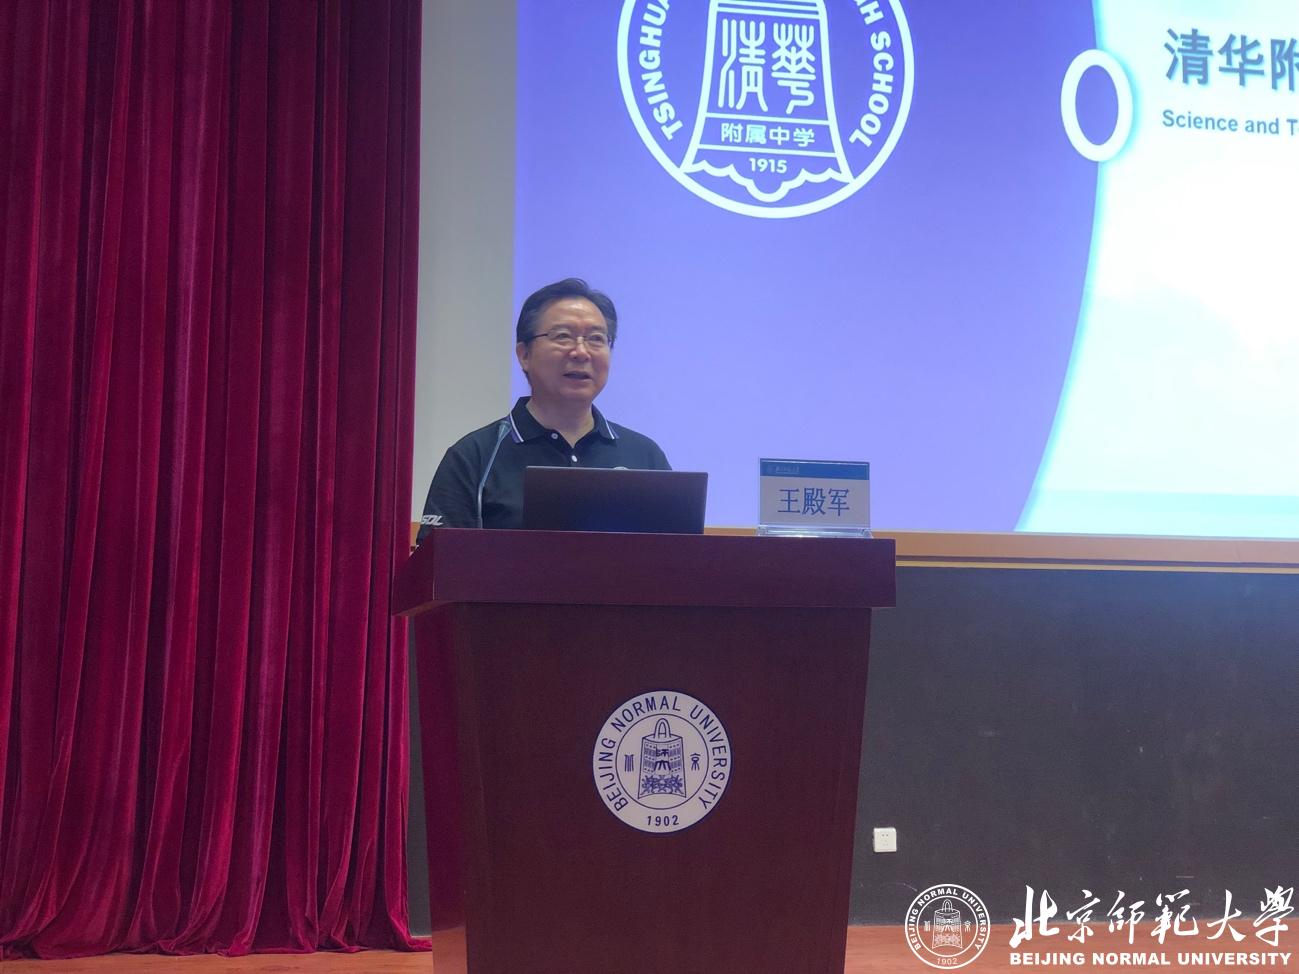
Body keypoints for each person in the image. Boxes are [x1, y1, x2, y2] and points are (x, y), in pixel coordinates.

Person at [417, 278, 670, 538]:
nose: (581, 352)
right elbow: (439, 559)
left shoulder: (645, 457)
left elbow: (675, 556)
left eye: (596, 339)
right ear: (524, 355)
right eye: (563, 336)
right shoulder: (476, 457)